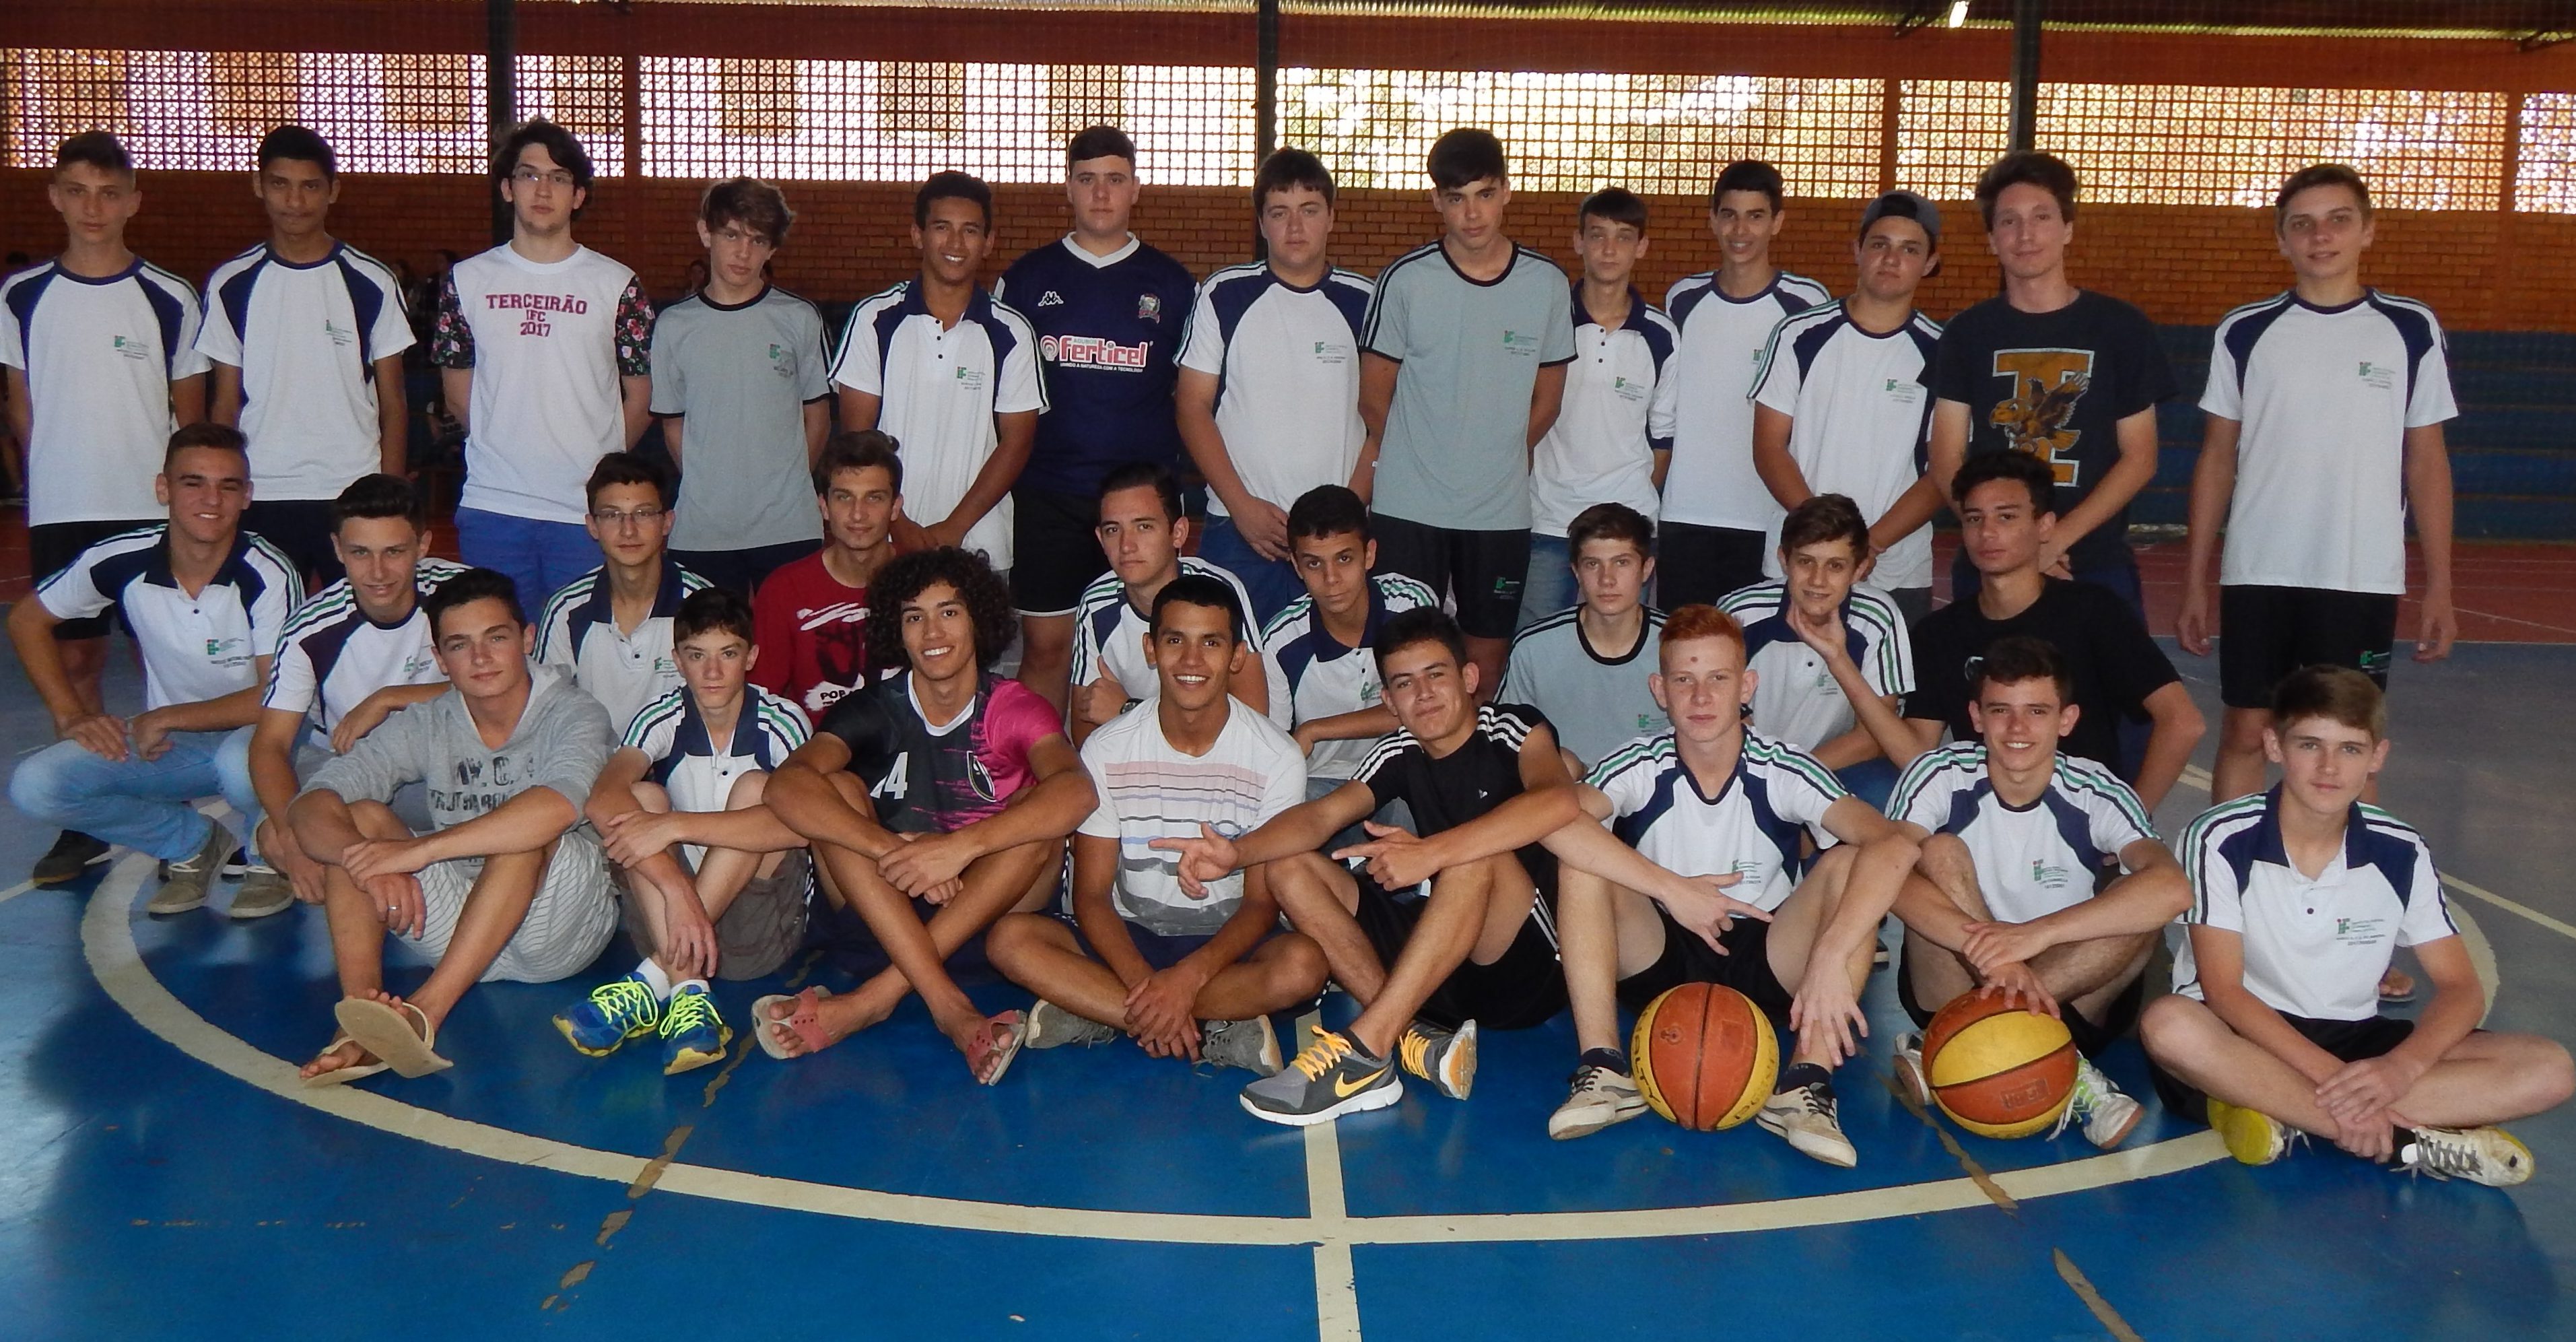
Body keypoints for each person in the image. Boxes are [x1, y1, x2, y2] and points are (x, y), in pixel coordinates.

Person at [2140, 667, 2571, 1185]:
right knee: (2169, 1025)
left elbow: (2461, 988)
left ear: (2377, 756)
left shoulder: (2400, 848)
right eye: (2310, 745)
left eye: (2350, 748)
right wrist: (2340, 1084)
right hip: (2244, 1032)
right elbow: (2224, 991)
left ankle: (2288, 1109)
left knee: (2548, 1068)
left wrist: (2400, 1070)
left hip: (2354, 1035)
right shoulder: (2219, 836)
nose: (2329, 767)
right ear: (2275, 746)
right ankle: (2403, 1139)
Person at [1155, 609, 1580, 1127]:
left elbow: (1559, 800)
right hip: (1441, 964)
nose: (1423, 694)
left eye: (1436, 675)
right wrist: (1237, 853)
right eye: (1405, 683)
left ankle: (1366, 1052)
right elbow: (1320, 817)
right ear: (1389, 701)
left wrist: (1431, 852)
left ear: (1469, 679)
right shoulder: (1399, 750)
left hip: (1521, 970)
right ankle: (1411, 1035)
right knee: (1287, 866)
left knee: (1474, 858)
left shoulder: (1513, 729)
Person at [1541, 604, 1920, 1162]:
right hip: (1661, 950)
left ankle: (1805, 1083)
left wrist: (1831, 953)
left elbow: (1896, 844)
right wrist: (1672, 888)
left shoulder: (1784, 765)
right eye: (1683, 680)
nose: (1701, 696)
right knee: (1580, 858)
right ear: (1659, 690)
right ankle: (1605, 1067)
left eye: (1718, 678)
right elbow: (1551, 822)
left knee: (1847, 862)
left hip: (1768, 953)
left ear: (1747, 686)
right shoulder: (1637, 762)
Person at [2179, 164, 2460, 803]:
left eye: (2338, 220)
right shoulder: (2244, 331)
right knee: (2247, 731)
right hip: (2260, 568)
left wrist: (2440, 585)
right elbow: (2217, 457)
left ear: (2368, 230)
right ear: (2282, 240)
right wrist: (2196, 578)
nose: (2321, 236)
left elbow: (2427, 461)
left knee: (2349, 741)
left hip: (2360, 573)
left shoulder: (2411, 328)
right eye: (2302, 224)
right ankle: (2233, 861)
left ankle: (2349, 867)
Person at [759, 549, 1095, 1083]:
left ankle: (874, 1000)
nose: (932, 631)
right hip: (883, 914)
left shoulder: (1013, 707)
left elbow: (1078, 792)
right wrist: (895, 850)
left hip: (984, 915)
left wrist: (959, 849)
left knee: (1038, 818)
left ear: (978, 619)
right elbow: (786, 785)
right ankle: (950, 1008)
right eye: (914, 616)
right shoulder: (875, 707)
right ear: (897, 629)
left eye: (949, 612)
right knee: (834, 789)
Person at [287, 568, 619, 1085]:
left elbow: (556, 807)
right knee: (359, 822)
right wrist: (367, 861)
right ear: (440, 658)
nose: (480, 658)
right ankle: (363, 1019)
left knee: (523, 830)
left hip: (556, 929)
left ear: (527, 639)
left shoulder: (574, 711)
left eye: (496, 638)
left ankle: (425, 1012)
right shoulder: (429, 720)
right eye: (460, 645)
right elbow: (311, 804)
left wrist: (416, 853)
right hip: (457, 924)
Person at [988, 576, 1329, 1075]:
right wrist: (1146, 983)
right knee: (1009, 939)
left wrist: (1188, 978)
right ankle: (1208, 1025)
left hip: (1226, 945)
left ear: (1236, 656)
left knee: (1303, 966)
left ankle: (1100, 1008)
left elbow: (1260, 903)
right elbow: (1092, 895)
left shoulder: (1277, 756)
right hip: (1129, 936)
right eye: (1175, 640)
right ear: (1151, 649)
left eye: (1211, 643)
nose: (1192, 661)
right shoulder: (1107, 747)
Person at [2, 131, 211, 885]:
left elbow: (190, 418)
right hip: (64, 507)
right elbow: (21, 405)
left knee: (162, 655)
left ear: (133, 201)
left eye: (109, 193)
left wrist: (183, 501)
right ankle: (84, 814)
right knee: (76, 659)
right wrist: (52, 479)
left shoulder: (169, 296)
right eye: (78, 191)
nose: (93, 207)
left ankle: (176, 800)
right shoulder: (20, 296)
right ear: (55, 197)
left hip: (148, 509)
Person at [1886, 636, 2188, 1149]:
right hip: (1952, 981)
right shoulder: (1937, 773)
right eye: (2000, 710)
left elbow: (2173, 887)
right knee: (1936, 852)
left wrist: (2033, 936)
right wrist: (2001, 957)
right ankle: (2064, 1063)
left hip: (2068, 991)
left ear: (2066, 719)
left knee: (2138, 897)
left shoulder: (2096, 788)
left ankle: (1950, 1046)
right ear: (1976, 717)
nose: (2017, 728)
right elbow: (1886, 876)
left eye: (2037, 711)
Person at [7, 426, 300, 911]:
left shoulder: (269, 573)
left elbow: (276, 697)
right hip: (172, 744)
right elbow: (26, 620)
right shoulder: (120, 560)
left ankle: (271, 853)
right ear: (163, 488)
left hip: (265, 736)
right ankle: (193, 845)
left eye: (228, 486)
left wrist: (166, 716)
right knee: (38, 785)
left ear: (247, 496)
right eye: (193, 482)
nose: (212, 499)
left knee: (240, 763)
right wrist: (70, 715)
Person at [556, 586, 814, 1075]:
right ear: (677, 660)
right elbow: (603, 799)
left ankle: (655, 979)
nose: (712, 672)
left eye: (728, 654)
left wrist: (675, 825)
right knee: (641, 797)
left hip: (755, 934)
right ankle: (689, 993)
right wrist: (677, 889)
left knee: (757, 788)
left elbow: (806, 828)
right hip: (669, 918)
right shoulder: (661, 716)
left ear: (751, 657)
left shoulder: (782, 721)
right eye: (697, 656)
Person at [1360, 128, 1573, 694]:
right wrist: (1424, 458)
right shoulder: (1405, 280)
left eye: (1484, 194)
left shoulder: (1547, 284)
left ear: (1506, 191)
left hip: (1498, 511)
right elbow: (1373, 394)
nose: (1472, 213)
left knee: (1486, 663)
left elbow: (1549, 400)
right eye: (1456, 198)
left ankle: (1476, 755)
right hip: (1409, 507)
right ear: (1437, 201)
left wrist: (1495, 455)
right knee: (1407, 657)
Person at [994, 128, 1197, 714]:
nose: (1101, 194)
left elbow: (1192, 397)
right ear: (1068, 188)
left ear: (1136, 188)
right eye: (1087, 180)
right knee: (1048, 649)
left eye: (1114, 180)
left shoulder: (1173, 284)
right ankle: (1041, 763)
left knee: (1156, 641)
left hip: (1142, 503)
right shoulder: (1026, 279)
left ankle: (1145, 759)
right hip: (1050, 493)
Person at [1929, 152, 2175, 619]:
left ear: (2067, 229)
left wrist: (2053, 541)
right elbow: (1945, 457)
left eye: (2041, 217)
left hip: (2094, 563)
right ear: (1991, 239)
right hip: (1991, 568)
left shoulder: (2121, 328)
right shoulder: (1966, 333)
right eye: (2009, 221)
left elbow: (2140, 458)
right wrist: (2003, 540)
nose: (2026, 235)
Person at [432, 119, 655, 610]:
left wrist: (599, 469)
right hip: (494, 504)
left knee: (581, 645)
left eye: (559, 177)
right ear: (507, 187)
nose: (543, 189)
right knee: (498, 641)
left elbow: (641, 396)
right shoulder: (467, 281)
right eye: (529, 175)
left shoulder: (618, 284)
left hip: (586, 512)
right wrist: (505, 446)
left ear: (578, 195)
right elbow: (457, 392)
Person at [220, 473, 463, 919]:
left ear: (423, 546)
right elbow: (270, 743)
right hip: (350, 767)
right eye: (360, 553)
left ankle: (373, 851)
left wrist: (392, 697)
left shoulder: (464, 596)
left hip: (445, 763)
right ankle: (310, 842)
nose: (378, 572)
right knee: (243, 771)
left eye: (394, 551)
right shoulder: (311, 626)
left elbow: (515, 684)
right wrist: (291, 834)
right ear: (337, 549)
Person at [1905, 450, 2204, 809]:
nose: (1987, 532)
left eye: (2006, 517)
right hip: (1981, 821)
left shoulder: (2093, 612)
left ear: (2045, 525)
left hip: (2082, 820)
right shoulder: (1938, 634)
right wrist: (1848, 666)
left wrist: (2130, 819)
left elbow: (2182, 722)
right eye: (1974, 519)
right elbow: (1916, 749)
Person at [198, 125, 413, 592]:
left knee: (363, 624)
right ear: (259, 186)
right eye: (280, 184)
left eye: (310, 186)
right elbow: (226, 402)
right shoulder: (231, 283)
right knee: (265, 625)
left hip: (353, 491)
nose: (295, 201)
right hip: (261, 489)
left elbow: (394, 402)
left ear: (333, 191)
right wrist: (224, 487)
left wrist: (390, 498)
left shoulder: (371, 281)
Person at [1176, 148, 1375, 627]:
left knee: (1334, 664)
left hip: (1334, 541)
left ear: (1332, 217)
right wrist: (1241, 507)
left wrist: (1345, 516)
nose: (1295, 227)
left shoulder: (1367, 302)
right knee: (1235, 660)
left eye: (1309, 210)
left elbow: (1384, 422)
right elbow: (1192, 407)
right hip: (1242, 531)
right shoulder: (1224, 294)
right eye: (1280, 213)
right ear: (1261, 222)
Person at [831, 171, 1042, 579]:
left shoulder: (1012, 331)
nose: (956, 243)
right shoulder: (874, 318)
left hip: (980, 543)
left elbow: (1017, 442)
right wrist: (898, 523)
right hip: (884, 542)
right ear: (918, 235)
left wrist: (954, 528)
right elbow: (858, 441)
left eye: (970, 230)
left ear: (989, 242)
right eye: (942, 227)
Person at [1749, 191, 1946, 625]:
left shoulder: (1943, 351)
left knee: (1886, 674)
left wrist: (1868, 545)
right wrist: (1824, 546)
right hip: (1802, 564)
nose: (1891, 259)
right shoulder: (1798, 335)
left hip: (1895, 569)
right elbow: (1768, 447)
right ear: (1857, 250)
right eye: (1880, 244)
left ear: (1929, 263)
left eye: (1910, 249)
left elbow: (1942, 472)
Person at [1660, 161, 1831, 609]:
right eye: (1730, 215)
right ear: (1712, 219)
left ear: (1777, 222)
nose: (1740, 230)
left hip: (1767, 516)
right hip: (1685, 513)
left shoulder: (1807, 302)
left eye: (1755, 216)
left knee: (1757, 646)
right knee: (1686, 643)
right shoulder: (1683, 299)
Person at [650, 176, 830, 597]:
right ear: (705, 233)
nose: (743, 252)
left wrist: (787, 486)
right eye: (732, 235)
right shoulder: (674, 326)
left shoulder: (800, 318)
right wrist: (710, 483)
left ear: (772, 249)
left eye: (757, 240)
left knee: (791, 637)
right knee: (710, 637)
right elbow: (673, 424)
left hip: (789, 526)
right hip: (703, 530)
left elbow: (818, 417)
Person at [1522, 188, 1679, 630]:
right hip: (1549, 519)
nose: (1609, 249)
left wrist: (1631, 501)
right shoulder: (1547, 322)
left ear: (1642, 246)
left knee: (1624, 643)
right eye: (1597, 235)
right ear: (1578, 241)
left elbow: (1662, 437)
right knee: (1537, 641)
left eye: (1624, 237)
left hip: (1629, 524)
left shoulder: (1662, 335)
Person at [1718, 494, 1915, 809]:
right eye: (1805, 562)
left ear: (1859, 570)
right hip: (1751, 763)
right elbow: (1718, 713)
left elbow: (1873, 737)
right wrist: (1769, 777)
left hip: (1835, 765)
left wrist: (1796, 776)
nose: (1818, 580)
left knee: (1887, 792)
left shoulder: (1876, 617)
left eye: (1835, 566)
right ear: (1784, 560)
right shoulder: (1741, 613)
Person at [1069, 463, 1288, 743]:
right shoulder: (1095, 604)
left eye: (1144, 527)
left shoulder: (1219, 591)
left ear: (1178, 533)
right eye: (1113, 530)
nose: (1126, 546)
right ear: (1100, 539)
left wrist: (1127, 711)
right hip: (1139, 760)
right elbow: (1086, 736)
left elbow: (1252, 718)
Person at [1263, 485, 1439, 793]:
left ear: (1369, 554)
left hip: (1407, 769)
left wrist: (1315, 730)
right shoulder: (1281, 641)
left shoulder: (1410, 606)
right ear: (1296, 566)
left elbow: (1426, 704)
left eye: (1344, 558)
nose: (1331, 579)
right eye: (1314, 563)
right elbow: (1276, 744)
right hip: (1320, 780)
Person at [535, 454, 711, 737]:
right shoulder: (567, 609)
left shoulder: (705, 605)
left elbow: (724, 712)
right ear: (592, 526)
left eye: (643, 513)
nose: (628, 530)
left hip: (682, 758)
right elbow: (544, 710)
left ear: (667, 522)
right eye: (611, 515)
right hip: (591, 757)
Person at [1499, 502, 1667, 770]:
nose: (1607, 579)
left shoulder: (1677, 645)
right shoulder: (1534, 648)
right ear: (1576, 572)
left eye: (1622, 563)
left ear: (1646, 569)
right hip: (1564, 788)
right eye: (1592, 564)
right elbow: (1503, 746)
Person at [751, 431, 902, 716]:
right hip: (814, 743)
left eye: (874, 498)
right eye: (844, 497)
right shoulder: (783, 590)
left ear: (895, 507)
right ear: (824, 506)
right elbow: (761, 702)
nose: (858, 514)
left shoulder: (926, 582)